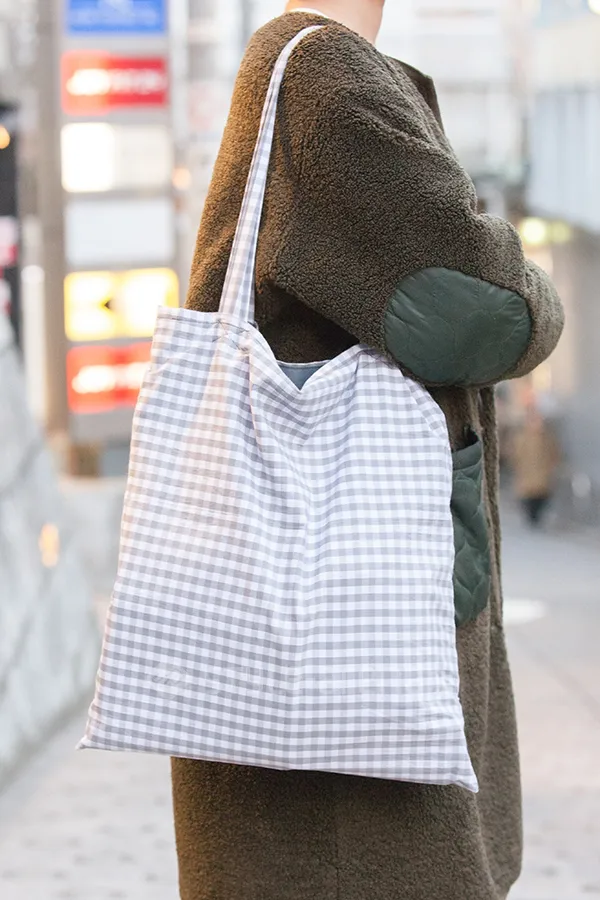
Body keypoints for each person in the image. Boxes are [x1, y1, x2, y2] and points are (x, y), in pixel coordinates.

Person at [171, 2, 564, 899]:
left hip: (316, 654)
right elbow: (481, 307)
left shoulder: (304, 73)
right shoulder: (322, 79)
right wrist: (541, 294)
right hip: (350, 685)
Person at [511, 405, 562, 526]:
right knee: (529, 499)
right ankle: (531, 519)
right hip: (526, 475)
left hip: (542, 475)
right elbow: (515, 455)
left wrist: (551, 468)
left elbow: (554, 454)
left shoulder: (547, 437)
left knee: (541, 498)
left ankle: (536, 519)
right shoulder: (521, 438)